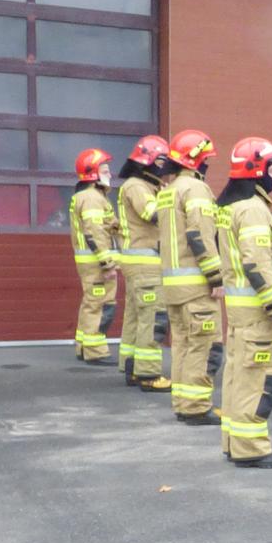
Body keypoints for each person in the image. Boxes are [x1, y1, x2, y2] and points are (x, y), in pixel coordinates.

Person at [214, 136, 272, 468]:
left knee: (238, 378)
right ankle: (251, 449)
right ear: (257, 170)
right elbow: (257, 264)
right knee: (259, 381)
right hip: (258, 314)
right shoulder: (252, 210)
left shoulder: (232, 207)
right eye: (271, 168)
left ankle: (234, 442)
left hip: (241, 312)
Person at [158, 130, 227, 427]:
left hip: (174, 288)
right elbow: (200, 235)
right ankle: (197, 407)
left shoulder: (167, 191)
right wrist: (216, 277)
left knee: (184, 347)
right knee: (205, 346)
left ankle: (184, 404)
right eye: (206, 159)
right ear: (195, 160)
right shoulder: (196, 189)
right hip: (197, 287)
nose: (207, 164)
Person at [116, 135, 173, 393]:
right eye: (162, 161)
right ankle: (148, 374)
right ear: (148, 161)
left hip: (139, 262)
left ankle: (132, 367)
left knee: (136, 317)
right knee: (154, 316)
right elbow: (153, 214)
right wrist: (174, 201)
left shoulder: (144, 185)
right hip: (145, 262)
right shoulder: (137, 186)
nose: (165, 167)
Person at [68, 149, 121, 366]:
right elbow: (94, 232)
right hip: (96, 263)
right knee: (101, 304)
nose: (110, 174)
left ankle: (83, 345)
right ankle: (95, 351)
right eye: (105, 171)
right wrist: (107, 263)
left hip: (90, 261)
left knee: (91, 303)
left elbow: (105, 226)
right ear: (93, 173)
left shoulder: (90, 196)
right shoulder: (92, 198)